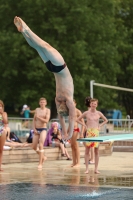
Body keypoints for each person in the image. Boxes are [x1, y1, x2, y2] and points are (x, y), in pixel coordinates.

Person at [14, 16, 75, 140]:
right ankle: (24, 33)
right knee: (37, 47)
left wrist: (69, 133)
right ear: (65, 108)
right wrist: (67, 133)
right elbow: (63, 117)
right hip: (52, 68)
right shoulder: (58, 99)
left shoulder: (68, 99)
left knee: (45, 46)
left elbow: (69, 118)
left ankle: (26, 29)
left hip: (60, 67)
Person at [77, 98, 108, 174]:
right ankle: (87, 169)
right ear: (90, 104)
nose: (93, 105)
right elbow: (77, 119)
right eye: (92, 104)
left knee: (96, 151)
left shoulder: (99, 113)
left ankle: (96, 169)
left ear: (96, 105)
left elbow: (106, 120)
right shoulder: (86, 113)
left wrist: (100, 126)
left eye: (95, 104)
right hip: (89, 132)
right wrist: (84, 125)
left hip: (96, 132)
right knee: (87, 150)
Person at [32, 97, 50, 169]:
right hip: (37, 128)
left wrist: (39, 117)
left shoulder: (47, 110)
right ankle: (43, 156)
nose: (42, 103)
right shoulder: (37, 109)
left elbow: (46, 121)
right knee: (34, 146)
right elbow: (34, 120)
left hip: (43, 128)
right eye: (41, 102)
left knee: (41, 145)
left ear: (46, 103)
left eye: (43, 102)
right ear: (39, 103)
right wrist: (34, 129)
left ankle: (40, 163)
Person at [69, 99, 84, 167]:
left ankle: (78, 163)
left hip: (76, 129)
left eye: (73, 103)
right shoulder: (69, 111)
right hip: (71, 130)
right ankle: (74, 162)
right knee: (72, 146)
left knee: (76, 146)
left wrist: (82, 133)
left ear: (75, 104)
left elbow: (83, 123)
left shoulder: (78, 111)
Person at [84, 96, 95, 164]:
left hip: (92, 128)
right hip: (89, 127)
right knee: (87, 143)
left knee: (91, 144)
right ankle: (91, 157)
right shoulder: (89, 109)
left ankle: (92, 159)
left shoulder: (91, 109)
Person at [0, 100, 8, 171]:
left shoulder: (4, 113)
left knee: (1, 149)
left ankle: (0, 166)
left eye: (1, 106)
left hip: (1, 130)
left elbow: (6, 122)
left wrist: (2, 114)